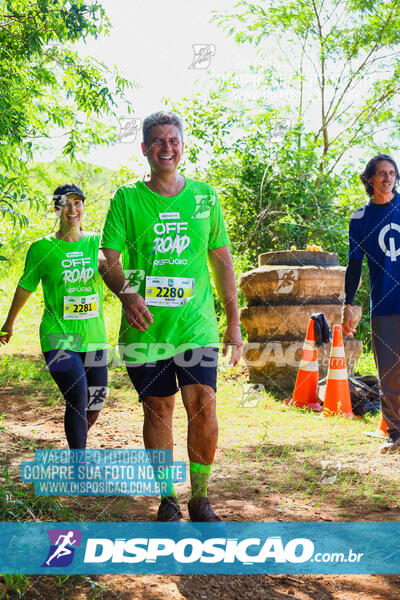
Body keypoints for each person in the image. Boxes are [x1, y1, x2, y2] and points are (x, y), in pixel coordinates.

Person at [99, 111, 242, 521]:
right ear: (145, 149)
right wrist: (127, 295)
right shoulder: (127, 199)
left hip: (195, 325)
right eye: (158, 141)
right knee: (158, 409)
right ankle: (168, 498)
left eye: (173, 140)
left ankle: (200, 497)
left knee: (204, 405)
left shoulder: (204, 197)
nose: (167, 147)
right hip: (146, 330)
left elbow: (221, 261)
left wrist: (232, 322)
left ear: (182, 146)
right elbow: (108, 256)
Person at [1, 184, 108, 449]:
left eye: (78, 202)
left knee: (96, 401)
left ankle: (76, 440)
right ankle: (78, 465)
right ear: (56, 208)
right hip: (57, 336)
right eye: (66, 203)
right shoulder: (41, 248)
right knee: (77, 397)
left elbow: (118, 273)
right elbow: (25, 287)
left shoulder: (98, 243)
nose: (72, 209)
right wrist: (9, 322)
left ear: (84, 206)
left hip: (94, 337)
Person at [342, 154, 400, 454]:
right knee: (389, 371)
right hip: (385, 302)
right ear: (370, 179)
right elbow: (354, 265)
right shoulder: (360, 219)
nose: (387, 178)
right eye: (381, 173)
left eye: (392, 173)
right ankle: (395, 433)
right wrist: (347, 304)